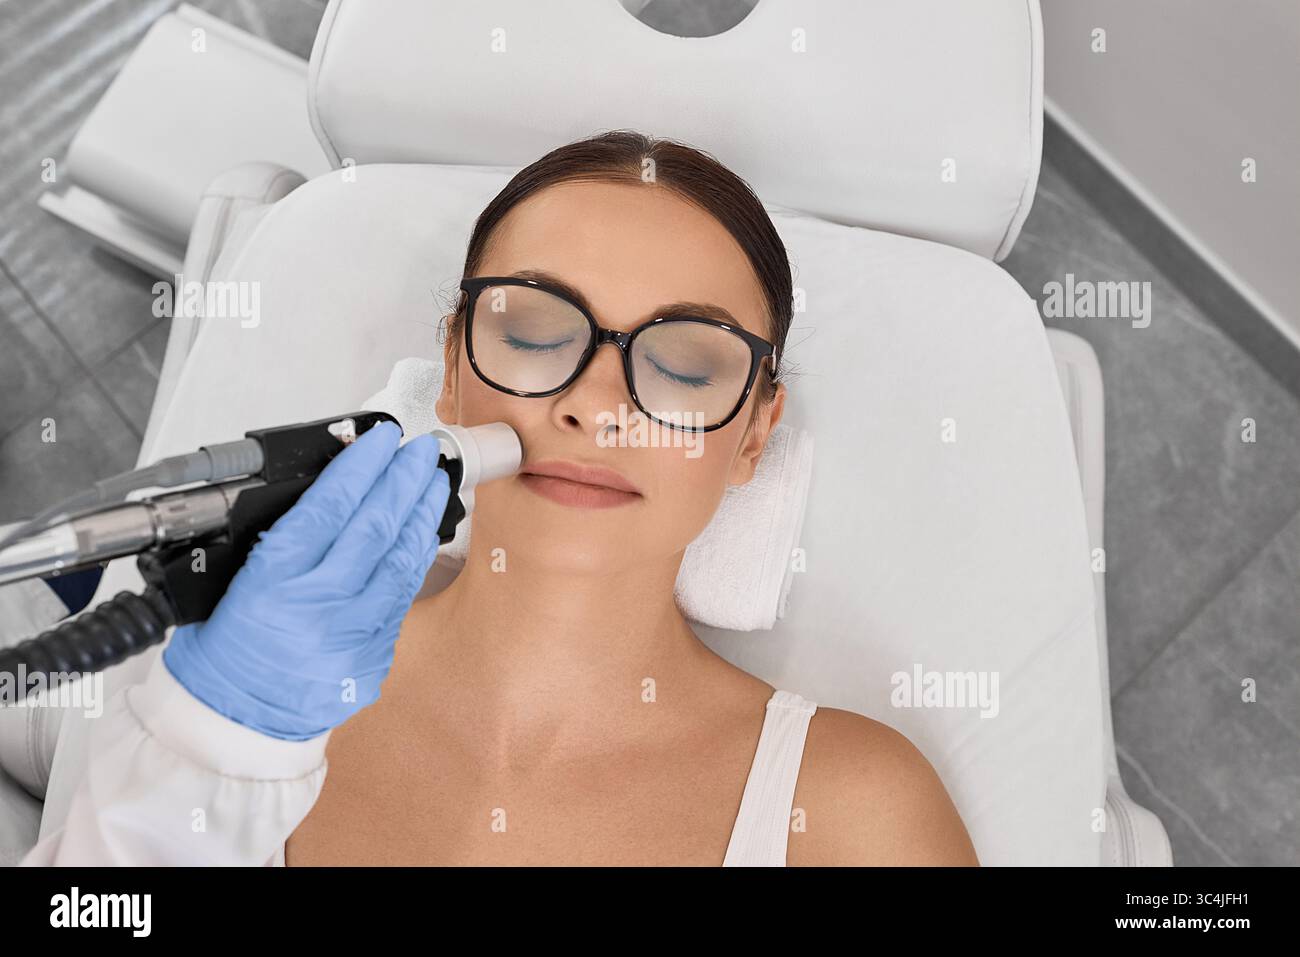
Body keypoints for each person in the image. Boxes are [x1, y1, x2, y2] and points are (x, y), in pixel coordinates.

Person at [20, 130, 978, 866]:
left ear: (755, 434)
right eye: (531, 336)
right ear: (451, 366)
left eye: (686, 363)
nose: (597, 406)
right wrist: (213, 743)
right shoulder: (218, 690)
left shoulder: (855, 814)